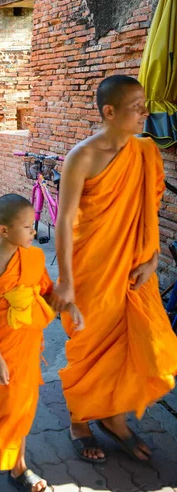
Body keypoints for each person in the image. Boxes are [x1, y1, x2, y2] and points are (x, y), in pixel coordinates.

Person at [54, 75, 177, 463]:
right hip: (92, 268)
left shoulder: (145, 152)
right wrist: (66, 284)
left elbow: (148, 208)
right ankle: (80, 420)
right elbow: (63, 221)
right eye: (137, 106)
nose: (145, 112)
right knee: (90, 346)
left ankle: (113, 418)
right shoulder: (83, 157)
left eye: (145, 104)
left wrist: (152, 258)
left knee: (134, 346)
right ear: (109, 112)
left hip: (134, 267)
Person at [0, 194, 83, 492]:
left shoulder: (33, 256)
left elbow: (46, 290)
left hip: (26, 340)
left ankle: (17, 465)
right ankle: (11, 460)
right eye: (28, 227)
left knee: (20, 402)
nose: (33, 231)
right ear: (4, 230)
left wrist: (70, 306)